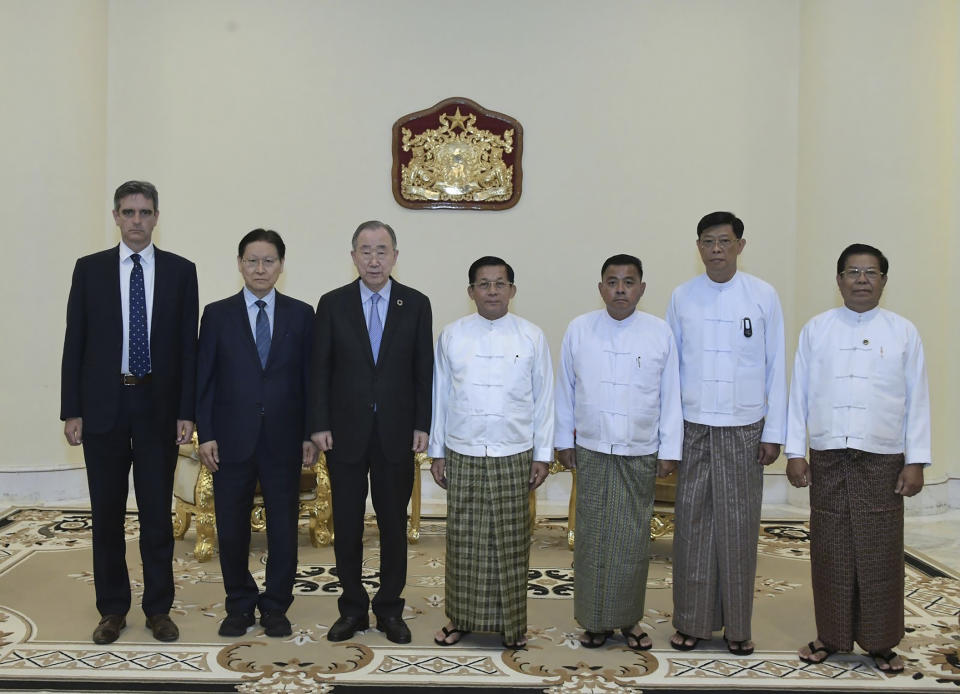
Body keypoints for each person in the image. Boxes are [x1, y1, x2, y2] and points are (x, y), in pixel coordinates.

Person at [60, 181, 198, 644]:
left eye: (145, 212)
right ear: (115, 217)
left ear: (157, 217)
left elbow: (187, 349)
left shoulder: (181, 272)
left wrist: (187, 410)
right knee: (107, 514)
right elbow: (74, 341)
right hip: (103, 407)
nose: (137, 221)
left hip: (158, 406)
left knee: (156, 514)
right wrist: (71, 409)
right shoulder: (90, 270)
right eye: (128, 212)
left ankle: (159, 609)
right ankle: (112, 609)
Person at [786, 243, 929, 674]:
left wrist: (916, 460)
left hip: (882, 458)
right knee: (829, 550)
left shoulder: (904, 332)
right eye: (853, 271)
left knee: (880, 551)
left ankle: (881, 642)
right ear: (838, 280)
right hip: (829, 455)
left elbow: (917, 400)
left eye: (871, 273)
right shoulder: (817, 329)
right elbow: (799, 395)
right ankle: (831, 636)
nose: (862, 279)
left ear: (884, 281)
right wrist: (796, 451)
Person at [665, 211, 786, 655]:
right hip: (694, 426)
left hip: (744, 428)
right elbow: (670, 372)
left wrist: (775, 432)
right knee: (692, 528)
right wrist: (670, 436)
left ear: (740, 245)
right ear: (698, 247)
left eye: (724, 241)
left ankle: (738, 626)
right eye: (708, 241)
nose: (716, 249)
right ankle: (692, 623)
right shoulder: (682, 297)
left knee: (738, 528)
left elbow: (776, 367)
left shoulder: (763, 296)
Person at [309, 221, 433, 644]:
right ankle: (352, 608)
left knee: (393, 524)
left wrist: (423, 424)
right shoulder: (332, 303)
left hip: (397, 433)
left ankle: (390, 609)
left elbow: (423, 371)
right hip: (343, 434)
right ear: (353, 257)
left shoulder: (415, 304)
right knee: (346, 524)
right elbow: (319, 371)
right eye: (365, 251)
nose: (374, 259)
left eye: (382, 250)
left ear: (395, 256)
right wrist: (318, 425)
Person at [555, 254, 682, 650]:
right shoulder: (580, 329)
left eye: (629, 282)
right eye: (612, 281)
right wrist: (563, 439)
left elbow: (671, 396)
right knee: (593, 538)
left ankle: (629, 620)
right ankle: (594, 621)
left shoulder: (659, 332)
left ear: (642, 288)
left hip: (639, 448)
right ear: (601, 288)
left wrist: (669, 448)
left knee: (630, 540)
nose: (621, 289)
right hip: (591, 446)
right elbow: (565, 391)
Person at [195, 229, 316, 638]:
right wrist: (206, 434)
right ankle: (240, 604)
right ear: (239, 264)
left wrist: (309, 434)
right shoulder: (217, 313)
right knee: (231, 527)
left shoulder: (302, 314)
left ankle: (277, 605)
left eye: (268, 260)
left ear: (281, 265)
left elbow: (310, 380)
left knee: (284, 527)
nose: (260, 268)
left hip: (284, 439)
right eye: (252, 260)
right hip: (230, 439)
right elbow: (205, 379)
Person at [429, 256, 554, 650]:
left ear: (512, 290)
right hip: (463, 449)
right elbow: (440, 397)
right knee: (464, 541)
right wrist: (437, 452)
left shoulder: (532, 336)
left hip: (514, 451)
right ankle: (460, 619)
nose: (492, 292)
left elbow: (544, 400)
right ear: (471, 292)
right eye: (484, 284)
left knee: (512, 541)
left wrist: (542, 454)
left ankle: (511, 626)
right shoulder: (452, 335)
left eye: (500, 284)